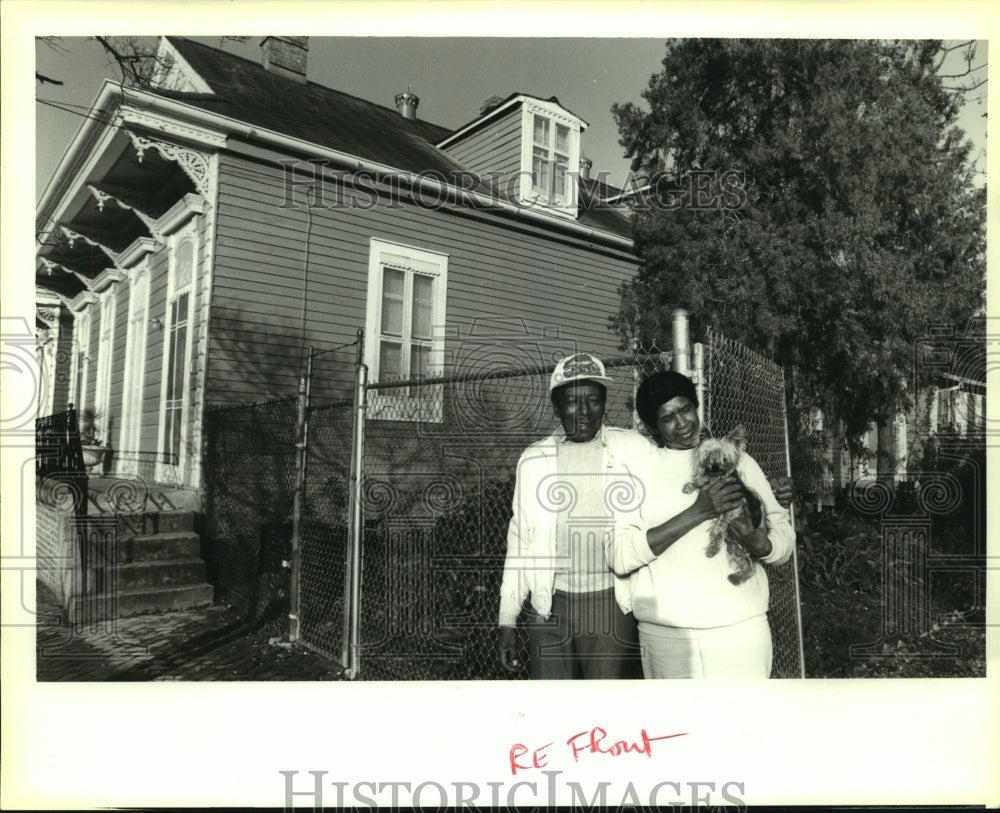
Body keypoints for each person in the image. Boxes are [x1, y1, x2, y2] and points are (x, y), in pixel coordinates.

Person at [605, 370, 795, 679]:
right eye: (667, 418)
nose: (681, 423)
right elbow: (619, 556)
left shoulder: (737, 460)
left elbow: (783, 533)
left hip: (740, 629)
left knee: (743, 726)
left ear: (696, 406)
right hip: (666, 637)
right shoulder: (635, 473)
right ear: (653, 426)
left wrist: (763, 546)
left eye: (685, 409)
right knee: (677, 728)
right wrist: (699, 511)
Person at [497, 352, 650, 679]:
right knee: (553, 710)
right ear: (556, 406)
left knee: (605, 713)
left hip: (612, 603)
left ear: (604, 403)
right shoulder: (534, 460)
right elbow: (520, 542)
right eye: (572, 402)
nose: (583, 412)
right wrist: (507, 620)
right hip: (549, 606)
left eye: (594, 401)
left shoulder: (632, 447)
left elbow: (683, 462)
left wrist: (760, 484)